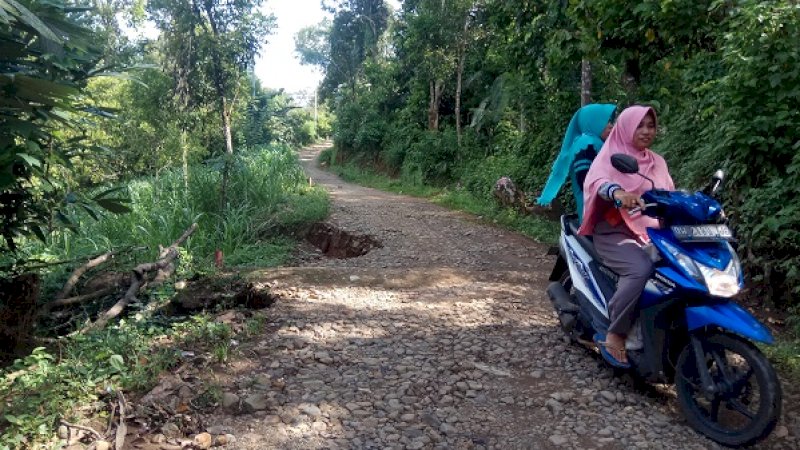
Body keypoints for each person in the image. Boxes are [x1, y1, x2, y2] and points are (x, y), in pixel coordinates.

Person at [578, 105, 675, 367]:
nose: (646, 131)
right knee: (640, 270)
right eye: (639, 125)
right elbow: (599, 182)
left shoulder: (657, 162)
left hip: (653, 231)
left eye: (651, 125)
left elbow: (670, 194)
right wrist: (619, 194)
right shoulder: (611, 156)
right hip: (613, 232)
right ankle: (616, 333)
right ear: (625, 128)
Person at [536, 103, 616, 221]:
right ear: (593, 123)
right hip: (594, 213)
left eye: (610, 121)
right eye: (605, 121)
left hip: (607, 207)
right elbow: (586, 182)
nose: (611, 126)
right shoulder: (586, 144)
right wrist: (614, 192)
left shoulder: (600, 144)